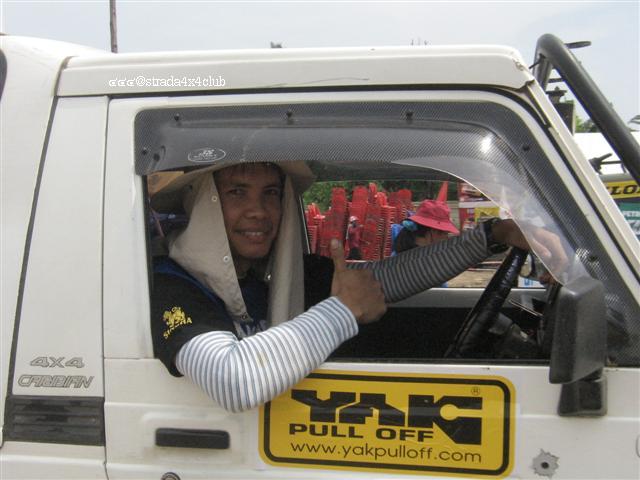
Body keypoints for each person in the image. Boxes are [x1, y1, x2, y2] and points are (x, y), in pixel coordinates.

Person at [150, 161, 561, 413]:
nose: (258, 210)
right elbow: (232, 380)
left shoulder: (277, 276)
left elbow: (382, 281)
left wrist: (493, 235)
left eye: (271, 193)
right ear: (204, 204)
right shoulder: (172, 285)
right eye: (236, 193)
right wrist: (343, 311)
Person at [394, 199, 459, 254]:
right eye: (446, 234)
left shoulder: (405, 245)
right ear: (434, 231)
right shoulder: (425, 258)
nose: (446, 238)